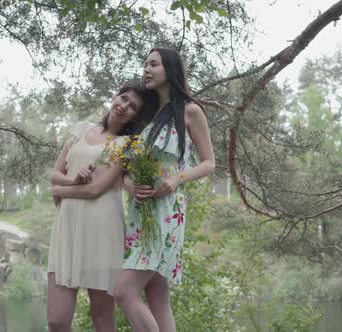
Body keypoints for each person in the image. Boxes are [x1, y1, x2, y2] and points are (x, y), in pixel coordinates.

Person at [114, 47, 215, 332]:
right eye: (144, 64)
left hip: (167, 212)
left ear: (169, 69)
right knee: (157, 297)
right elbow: (122, 166)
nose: (146, 69)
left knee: (124, 291)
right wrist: (129, 184)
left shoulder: (191, 112)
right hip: (137, 212)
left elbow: (209, 163)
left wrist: (177, 179)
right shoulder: (144, 114)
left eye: (153, 64)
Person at [47, 81, 156, 332]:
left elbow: (97, 189)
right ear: (115, 96)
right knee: (57, 321)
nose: (124, 106)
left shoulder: (126, 144)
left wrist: (61, 191)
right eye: (123, 98)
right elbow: (55, 174)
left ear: (136, 116)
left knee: (102, 318)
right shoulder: (81, 130)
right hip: (67, 227)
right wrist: (72, 180)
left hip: (102, 229)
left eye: (133, 107)